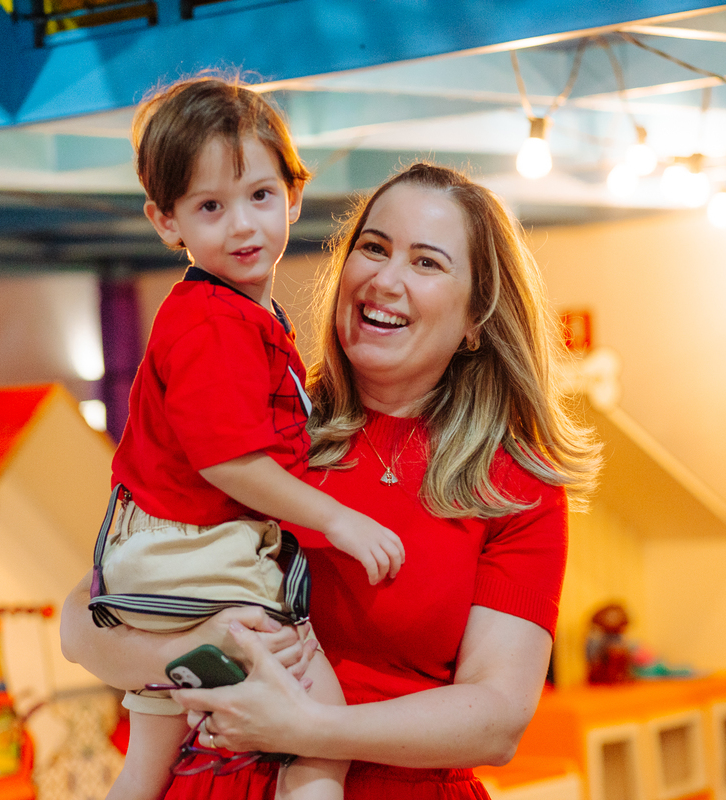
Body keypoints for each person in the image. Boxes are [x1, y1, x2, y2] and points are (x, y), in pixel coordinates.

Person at [62, 162, 602, 799]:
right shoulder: (256, 431)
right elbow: (82, 621)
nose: (385, 279)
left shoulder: (516, 485)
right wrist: (204, 649)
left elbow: (496, 720)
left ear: (475, 318)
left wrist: (310, 727)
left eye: (426, 263)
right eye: (372, 248)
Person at [92, 76, 406, 800]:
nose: (243, 226)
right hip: (195, 557)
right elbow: (230, 461)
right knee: (320, 720)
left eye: (260, 197)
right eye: (210, 207)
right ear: (167, 223)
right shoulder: (213, 323)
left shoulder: (235, 316)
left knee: (146, 764)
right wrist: (337, 518)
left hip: (155, 555)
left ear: (293, 196)